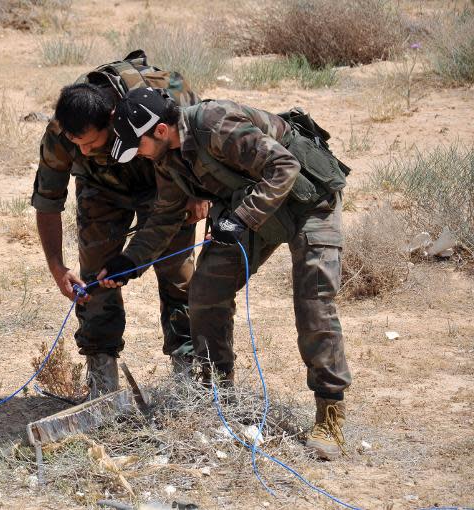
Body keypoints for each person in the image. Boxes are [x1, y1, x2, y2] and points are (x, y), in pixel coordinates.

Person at [99, 87, 352, 460]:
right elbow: (166, 216)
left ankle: (329, 411)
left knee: (313, 302)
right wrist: (129, 262)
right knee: (205, 292)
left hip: (309, 201)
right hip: (253, 208)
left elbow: (284, 167)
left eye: (137, 145)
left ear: (160, 131)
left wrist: (240, 219)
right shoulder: (168, 158)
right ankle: (219, 395)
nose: (137, 154)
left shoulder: (215, 123)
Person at [31, 53, 208, 398]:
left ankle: (187, 377)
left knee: (176, 271)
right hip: (102, 189)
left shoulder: (163, 93)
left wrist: (198, 190)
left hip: (165, 180)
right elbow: (47, 202)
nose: (84, 149)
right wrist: (56, 267)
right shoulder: (62, 132)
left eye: (93, 143)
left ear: (113, 119)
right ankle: (103, 380)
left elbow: (196, 128)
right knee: (96, 275)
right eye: (77, 145)